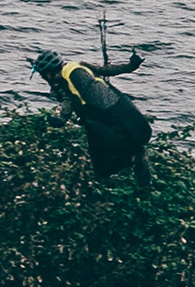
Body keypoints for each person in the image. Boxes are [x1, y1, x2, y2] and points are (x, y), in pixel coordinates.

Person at [29, 34, 154, 191]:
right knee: (118, 148)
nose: (44, 78)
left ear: (49, 72)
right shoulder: (76, 68)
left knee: (108, 158)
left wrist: (62, 118)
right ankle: (132, 171)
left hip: (101, 116)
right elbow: (105, 71)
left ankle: (132, 171)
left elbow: (69, 100)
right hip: (114, 105)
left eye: (43, 74)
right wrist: (131, 66)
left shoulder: (65, 78)